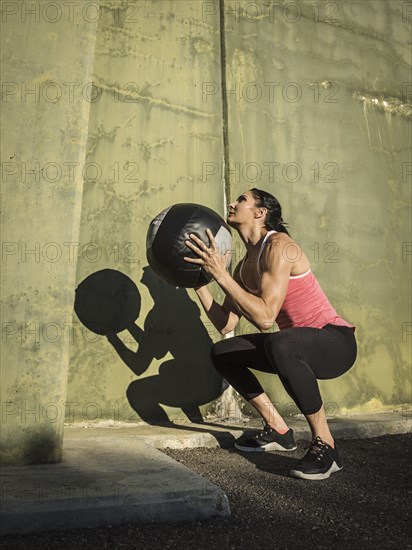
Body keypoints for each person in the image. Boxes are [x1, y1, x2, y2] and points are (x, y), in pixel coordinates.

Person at [184, 188, 357, 480]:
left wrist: (221, 275)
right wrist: (200, 281)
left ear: (260, 212)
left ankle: (326, 446)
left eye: (241, 200)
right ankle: (278, 428)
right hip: (293, 346)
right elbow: (226, 324)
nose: (232, 203)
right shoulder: (243, 267)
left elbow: (265, 318)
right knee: (223, 352)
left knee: (280, 341)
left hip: (335, 342)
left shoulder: (280, 246)